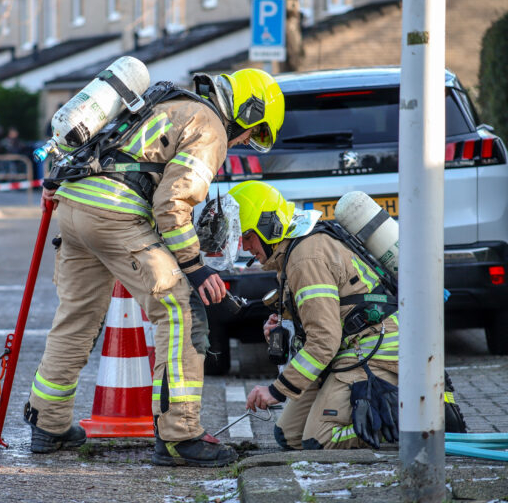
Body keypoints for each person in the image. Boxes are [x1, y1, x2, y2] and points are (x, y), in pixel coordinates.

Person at [24, 68, 285, 467]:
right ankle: (180, 436)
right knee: (181, 310)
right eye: (255, 131)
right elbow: (172, 203)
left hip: (73, 205)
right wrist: (195, 267)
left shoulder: (166, 101)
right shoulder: (210, 125)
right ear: (248, 110)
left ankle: (48, 423)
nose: (247, 141)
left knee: (75, 316)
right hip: (115, 214)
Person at [230, 180, 401, 450]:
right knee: (289, 437)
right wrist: (284, 330)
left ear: (268, 226)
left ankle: (400, 423)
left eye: (247, 236)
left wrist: (276, 390)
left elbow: (324, 340)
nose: (245, 246)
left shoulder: (305, 258)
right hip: (347, 350)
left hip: (375, 351)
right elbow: (318, 326)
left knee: (320, 440)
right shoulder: (291, 252)